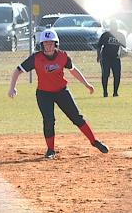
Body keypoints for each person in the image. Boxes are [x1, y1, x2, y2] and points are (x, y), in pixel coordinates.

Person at [7, 29, 108, 159]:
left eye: (50, 43)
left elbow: (73, 70)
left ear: (56, 44)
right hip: (44, 94)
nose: (47, 46)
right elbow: (17, 71)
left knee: (77, 117)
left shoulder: (63, 56)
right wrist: (12, 87)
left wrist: (86, 84)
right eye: (45, 43)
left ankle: (95, 141)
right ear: (41, 45)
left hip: (61, 91)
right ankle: (50, 150)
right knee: (49, 120)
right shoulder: (36, 58)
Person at [96, 23, 125, 98]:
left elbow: (124, 47)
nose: (114, 28)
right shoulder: (106, 35)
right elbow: (99, 46)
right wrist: (99, 56)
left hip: (115, 57)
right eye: (113, 26)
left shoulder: (120, 35)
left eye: (115, 26)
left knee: (117, 74)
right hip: (105, 57)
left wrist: (123, 53)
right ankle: (105, 92)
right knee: (105, 74)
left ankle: (115, 92)